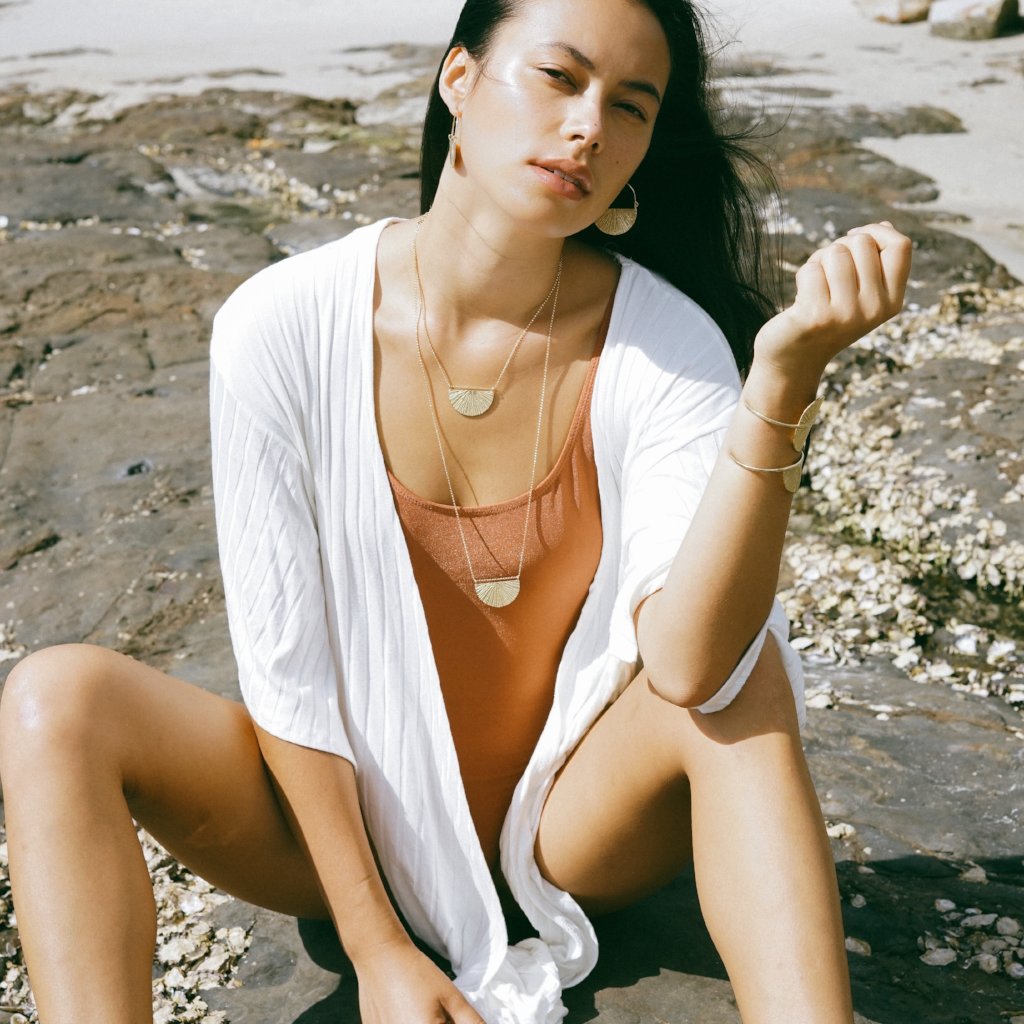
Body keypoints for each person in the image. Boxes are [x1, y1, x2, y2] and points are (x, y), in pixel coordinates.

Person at [0, 0, 911, 1020]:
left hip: (567, 833)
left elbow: (694, 667)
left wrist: (779, 385)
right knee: (53, 700)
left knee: (751, 668)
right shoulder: (282, 324)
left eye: (630, 107)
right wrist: (377, 948)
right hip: (333, 843)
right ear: (459, 79)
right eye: (559, 77)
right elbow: (286, 671)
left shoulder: (665, 345)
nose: (588, 127)